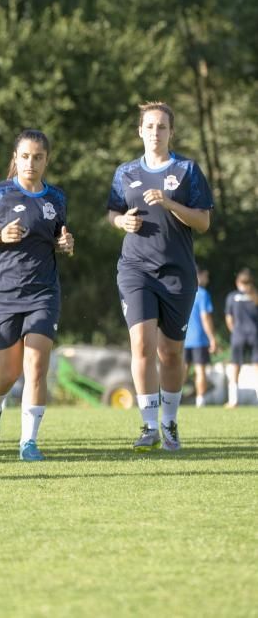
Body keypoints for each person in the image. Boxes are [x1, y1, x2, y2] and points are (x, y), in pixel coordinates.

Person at [107, 102, 213, 451]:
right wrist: (122, 222)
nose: (155, 132)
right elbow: (114, 213)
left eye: (162, 127)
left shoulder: (187, 170)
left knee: (170, 353)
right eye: (149, 126)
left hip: (177, 273)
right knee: (142, 345)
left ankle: (169, 423)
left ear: (171, 132)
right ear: (140, 131)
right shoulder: (125, 172)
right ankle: (149, 425)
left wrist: (170, 204)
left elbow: (203, 221)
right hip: (136, 269)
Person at [0, 129, 73, 462]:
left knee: (36, 366)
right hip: (4, 293)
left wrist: (67, 243)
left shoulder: (55, 198)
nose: (31, 162)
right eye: (25, 156)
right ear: (15, 158)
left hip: (43, 293)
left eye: (38, 157)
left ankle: (28, 442)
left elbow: (60, 235)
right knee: (8, 373)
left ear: (46, 160)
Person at [183, 265, 217, 407]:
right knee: (200, 370)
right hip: (199, 339)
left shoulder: (183, 292)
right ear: (199, 275)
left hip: (183, 338)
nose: (207, 279)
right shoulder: (202, 293)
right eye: (206, 276)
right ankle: (200, 400)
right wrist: (212, 338)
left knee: (182, 369)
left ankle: (173, 398)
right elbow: (205, 318)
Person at [224, 268, 258, 407]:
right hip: (255, 333)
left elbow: (229, 318)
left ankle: (233, 400)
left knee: (235, 366)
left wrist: (235, 331)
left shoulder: (232, 296)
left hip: (238, 334)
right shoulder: (255, 295)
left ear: (238, 282)